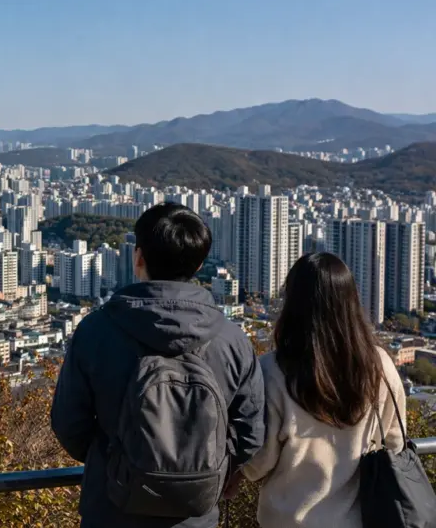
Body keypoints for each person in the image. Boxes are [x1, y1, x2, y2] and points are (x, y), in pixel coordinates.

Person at [51, 202, 265, 528]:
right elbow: (251, 433)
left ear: (138, 257)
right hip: (195, 516)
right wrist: (204, 470)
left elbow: (69, 424)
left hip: (111, 510)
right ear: (199, 265)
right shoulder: (232, 340)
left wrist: (119, 462)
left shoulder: (95, 332)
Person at [229, 252, 406, 528]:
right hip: (359, 520)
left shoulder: (272, 371)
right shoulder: (379, 365)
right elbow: (395, 444)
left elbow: (257, 464)